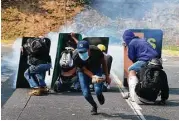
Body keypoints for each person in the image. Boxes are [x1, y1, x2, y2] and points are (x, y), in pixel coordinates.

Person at [72, 40, 110, 115]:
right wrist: (93, 76)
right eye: (80, 52)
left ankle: (100, 94)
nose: (82, 54)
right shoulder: (75, 56)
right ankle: (94, 106)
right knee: (86, 93)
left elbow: (104, 63)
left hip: (96, 69)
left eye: (84, 51)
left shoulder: (96, 51)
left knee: (97, 90)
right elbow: (84, 69)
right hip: (83, 72)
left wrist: (107, 76)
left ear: (89, 49)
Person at [122, 30, 159, 102]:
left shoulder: (131, 43)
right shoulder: (142, 40)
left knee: (131, 70)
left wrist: (126, 48)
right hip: (156, 60)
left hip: (145, 60)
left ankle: (133, 95)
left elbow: (132, 57)